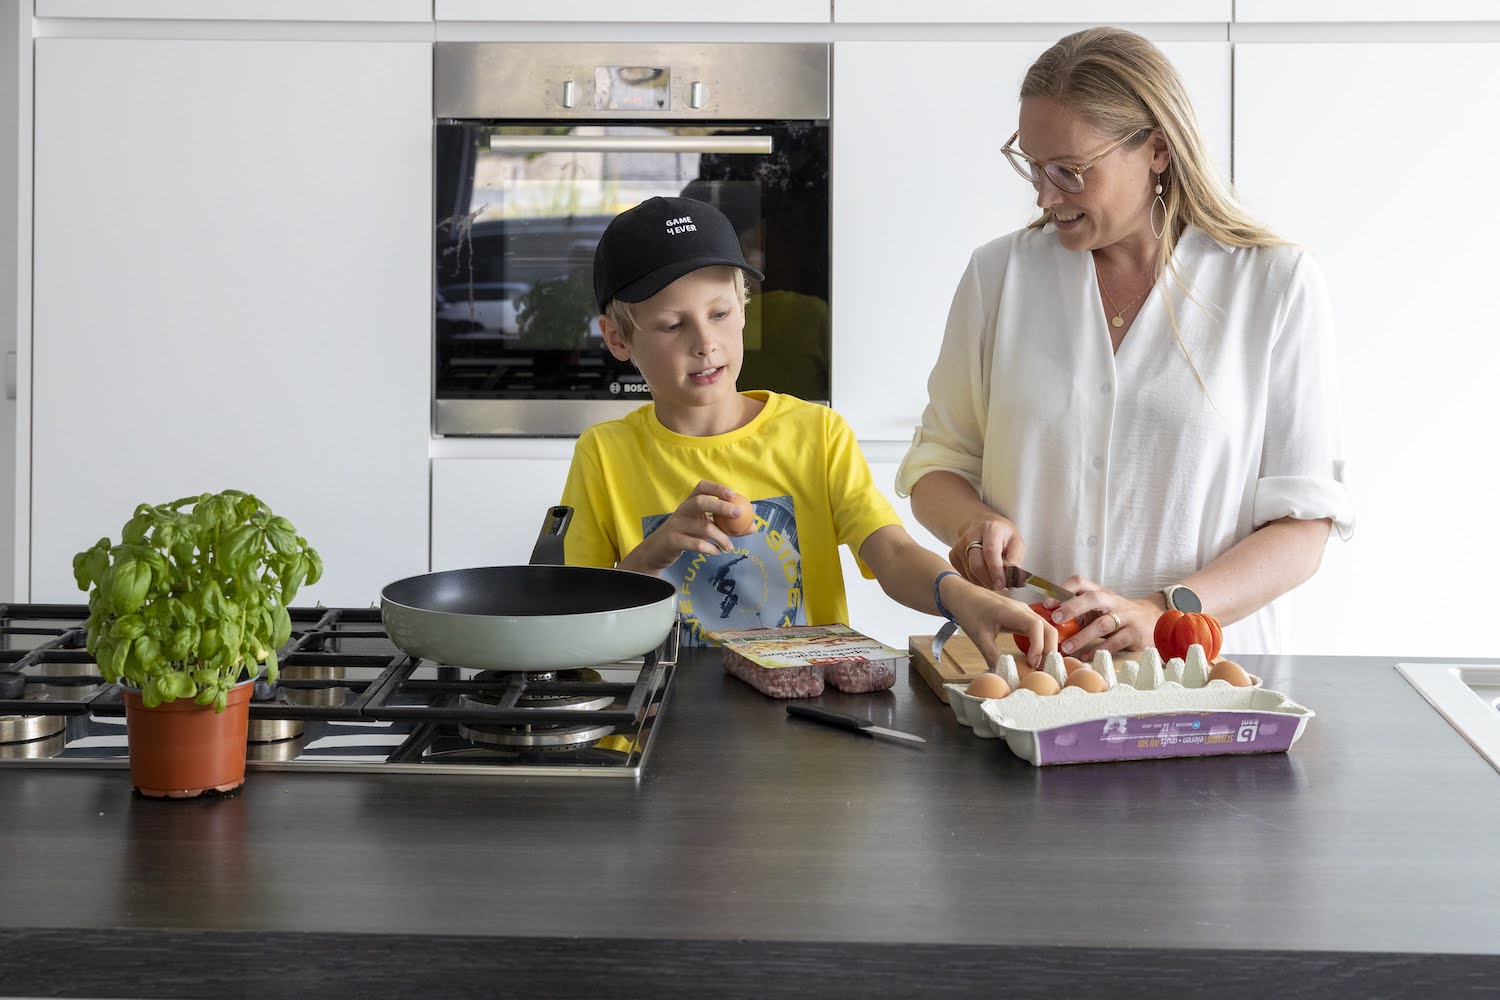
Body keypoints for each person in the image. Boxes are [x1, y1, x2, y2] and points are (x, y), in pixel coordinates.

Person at [896, 26, 1355, 656]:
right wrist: (973, 523)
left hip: (1202, 680)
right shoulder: (999, 275)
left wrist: (1165, 612)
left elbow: (1304, 526)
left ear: (1158, 150)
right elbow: (937, 464)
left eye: (1071, 171)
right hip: (1024, 669)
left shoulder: (1273, 284)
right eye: (1032, 164)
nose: (1043, 193)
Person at [560, 195, 1057, 668]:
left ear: (744, 306)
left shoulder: (817, 434)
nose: (705, 343)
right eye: (672, 325)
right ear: (617, 337)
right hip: (665, 721)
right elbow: (571, 618)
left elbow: (891, 552)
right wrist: (654, 553)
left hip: (805, 719)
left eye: (719, 314)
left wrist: (963, 599)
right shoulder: (603, 455)